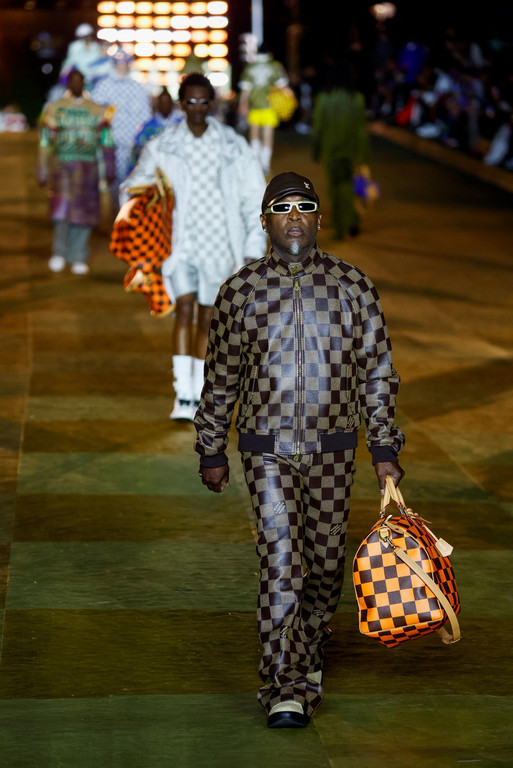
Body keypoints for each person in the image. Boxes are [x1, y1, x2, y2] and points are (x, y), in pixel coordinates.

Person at [194, 171, 405, 728]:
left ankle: (307, 645)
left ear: (318, 219)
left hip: (333, 447)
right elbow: (221, 375)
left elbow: (377, 371)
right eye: (282, 207)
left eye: (304, 207)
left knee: (327, 565)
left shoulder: (353, 286)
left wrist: (383, 444)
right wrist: (211, 446)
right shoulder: (240, 291)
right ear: (265, 220)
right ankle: (286, 686)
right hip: (265, 448)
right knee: (281, 563)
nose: (294, 216)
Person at [120, 72, 267, 420]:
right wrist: (146, 197)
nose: (197, 108)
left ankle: (200, 391)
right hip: (179, 244)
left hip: (220, 244)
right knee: (183, 310)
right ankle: (182, 394)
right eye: (191, 102)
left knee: (208, 317)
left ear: (212, 104)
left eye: (203, 102)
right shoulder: (163, 145)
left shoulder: (233, 145)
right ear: (181, 103)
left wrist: (253, 245)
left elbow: (254, 197)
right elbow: (134, 186)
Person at [37, 69, 115, 274]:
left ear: (84, 83)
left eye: (80, 81)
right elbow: (45, 138)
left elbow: (106, 139)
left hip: (88, 166)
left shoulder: (96, 109)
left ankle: (79, 254)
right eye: (73, 81)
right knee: (61, 210)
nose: (77, 84)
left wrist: (109, 166)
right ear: (68, 84)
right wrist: (42, 167)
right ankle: (59, 252)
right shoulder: (56, 108)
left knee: (85, 212)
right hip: (63, 165)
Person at [312, 60, 370, 240]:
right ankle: (351, 220)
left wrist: (316, 151)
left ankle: (338, 228)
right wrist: (363, 155)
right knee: (348, 186)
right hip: (350, 151)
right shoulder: (357, 99)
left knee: (334, 188)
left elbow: (318, 128)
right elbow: (361, 130)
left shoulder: (324, 99)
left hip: (330, 151)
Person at [92, 48, 152, 208]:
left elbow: (145, 118)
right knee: (114, 184)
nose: (122, 65)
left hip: (133, 146)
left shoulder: (138, 87)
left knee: (133, 183)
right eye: (118, 62)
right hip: (112, 145)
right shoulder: (104, 86)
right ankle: (116, 215)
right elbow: (96, 114)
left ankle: (128, 215)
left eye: (125, 62)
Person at [238, 42, 289, 174]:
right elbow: (283, 86)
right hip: (270, 106)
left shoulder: (250, 67)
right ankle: (265, 165)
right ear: (270, 54)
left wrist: (243, 103)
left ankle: (255, 163)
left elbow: (245, 89)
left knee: (254, 134)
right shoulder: (274, 66)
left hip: (254, 106)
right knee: (267, 135)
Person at [129, 88, 182, 173]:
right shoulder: (148, 126)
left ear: (171, 104)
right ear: (158, 105)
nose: (165, 105)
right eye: (162, 102)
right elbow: (137, 148)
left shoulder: (181, 124)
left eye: (167, 102)